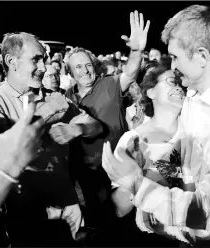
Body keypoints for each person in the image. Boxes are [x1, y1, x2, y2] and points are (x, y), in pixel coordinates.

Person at [102, 5, 210, 247]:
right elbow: (184, 163)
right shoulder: (194, 98)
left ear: (201, 56)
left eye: (176, 57)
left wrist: (137, 183)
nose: (174, 68)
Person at [0, 31, 103, 246]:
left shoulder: (53, 96)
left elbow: (96, 126)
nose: (44, 67)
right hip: (23, 211)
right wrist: (46, 114)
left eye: (44, 59)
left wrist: (78, 129)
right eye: (36, 59)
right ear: (11, 61)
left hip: (67, 204)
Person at [64, 10, 150, 240]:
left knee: (124, 220)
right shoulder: (67, 96)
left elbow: (131, 70)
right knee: (98, 218)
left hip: (117, 166)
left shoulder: (110, 84)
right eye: (78, 67)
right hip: (87, 170)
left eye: (88, 65)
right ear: (70, 73)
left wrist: (137, 50)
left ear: (94, 65)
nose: (85, 70)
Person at [103, 62, 186, 246]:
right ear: (151, 92)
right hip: (146, 236)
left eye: (181, 83)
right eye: (172, 81)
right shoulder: (132, 141)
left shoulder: (194, 133)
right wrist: (133, 179)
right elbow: (119, 209)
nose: (179, 87)